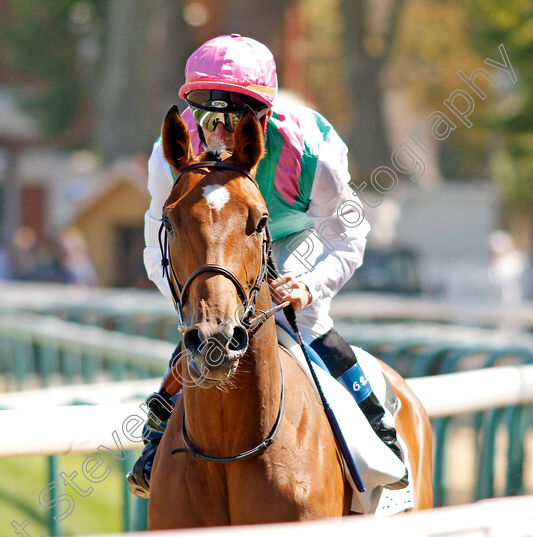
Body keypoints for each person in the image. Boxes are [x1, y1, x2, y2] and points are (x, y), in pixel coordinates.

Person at [127, 34, 406, 498]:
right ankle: (156, 437)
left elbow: (350, 234)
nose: (217, 134)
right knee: (207, 326)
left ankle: (378, 431)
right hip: (214, 240)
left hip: (297, 233)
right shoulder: (168, 158)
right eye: (208, 116)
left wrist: (311, 286)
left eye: (234, 119)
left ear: (263, 117)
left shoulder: (313, 154)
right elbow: (158, 243)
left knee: (302, 321)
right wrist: (198, 300)